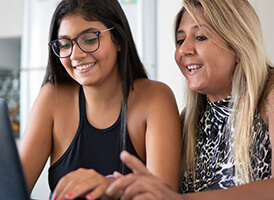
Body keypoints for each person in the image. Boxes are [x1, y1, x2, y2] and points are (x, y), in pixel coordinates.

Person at [106, 0, 274, 199]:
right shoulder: (188, 122)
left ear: (238, 45)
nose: (183, 50)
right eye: (180, 41)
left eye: (201, 37)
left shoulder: (269, 96)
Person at [18, 0, 182, 199]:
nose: (75, 55)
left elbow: (165, 196)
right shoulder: (52, 98)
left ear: (118, 40)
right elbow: (11, 189)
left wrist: (110, 187)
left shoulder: (155, 98)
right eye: (65, 44)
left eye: (89, 39)